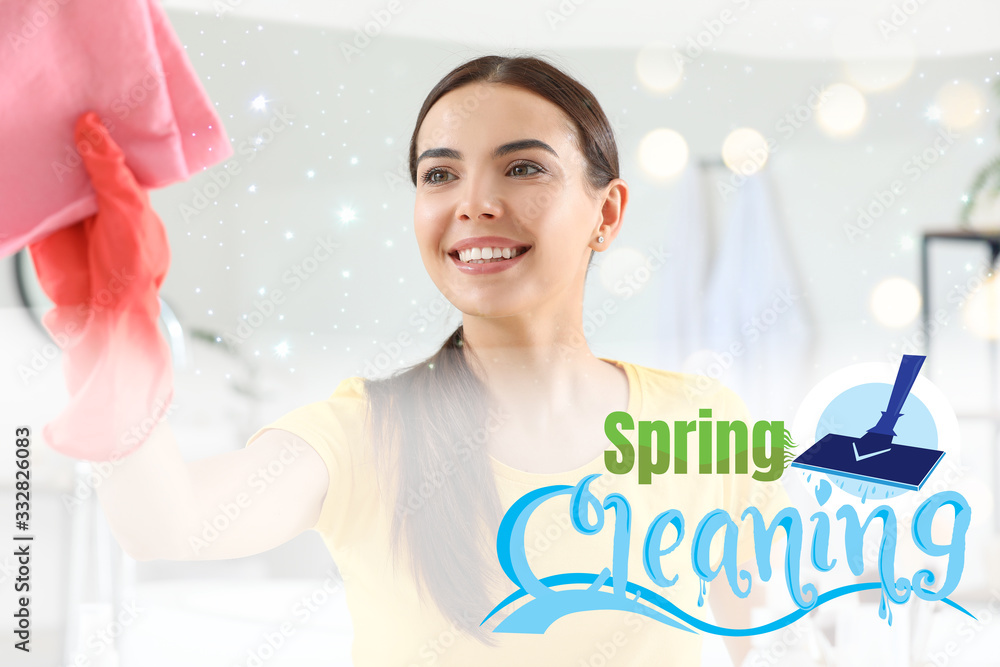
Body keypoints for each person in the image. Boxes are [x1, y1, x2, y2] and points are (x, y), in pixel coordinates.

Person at [86, 54, 790, 666]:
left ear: (606, 214)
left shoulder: (703, 421)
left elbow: (767, 642)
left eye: (522, 167)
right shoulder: (369, 430)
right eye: (440, 175)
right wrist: (113, 327)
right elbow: (164, 523)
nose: (475, 202)